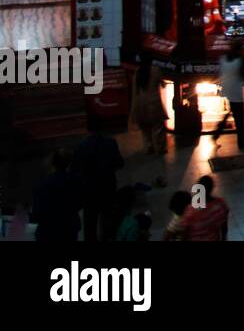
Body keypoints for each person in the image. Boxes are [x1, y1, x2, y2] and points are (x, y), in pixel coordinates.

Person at [71, 113, 124, 242]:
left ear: (87, 128)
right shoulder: (110, 143)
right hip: (107, 187)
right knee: (107, 222)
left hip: (89, 190)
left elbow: (74, 170)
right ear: (102, 127)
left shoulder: (81, 146)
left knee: (90, 224)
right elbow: (119, 163)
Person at [31, 148, 82, 242]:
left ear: (52, 163)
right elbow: (79, 203)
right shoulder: (76, 182)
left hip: (48, 230)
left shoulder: (44, 184)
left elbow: (36, 214)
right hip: (69, 229)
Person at [131, 53, 167, 164]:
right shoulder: (155, 70)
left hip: (140, 104)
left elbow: (135, 89)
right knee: (158, 127)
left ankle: (149, 147)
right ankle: (159, 148)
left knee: (145, 128)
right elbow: (163, 84)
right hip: (153, 103)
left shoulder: (138, 71)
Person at [215, 41, 244, 150]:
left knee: (232, 112)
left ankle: (217, 133)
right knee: (239, 118)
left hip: (227, 89)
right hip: (236, 92)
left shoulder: (223, 58)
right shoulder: (239, 61)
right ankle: (241, 142)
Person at [181, 175, 230, 241]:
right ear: (212, 187)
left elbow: (185, 233)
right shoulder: (220, 204)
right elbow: (224, 225)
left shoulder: (191, 210)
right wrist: (224, 238)